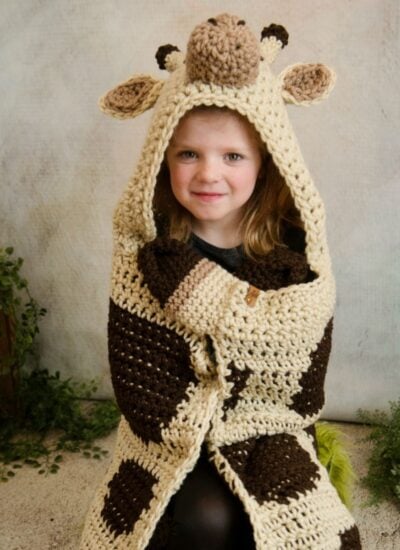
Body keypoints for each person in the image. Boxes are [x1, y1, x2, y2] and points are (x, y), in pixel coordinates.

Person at [81, 13, 361, 550]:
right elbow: (135, 366)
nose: (209, 173)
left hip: (265, 424)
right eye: (189, 154)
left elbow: (297, 353)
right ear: (163, 159)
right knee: (204, 521)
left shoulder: (289, 251)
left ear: (266, 161)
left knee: (305, 530)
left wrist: (211, 301)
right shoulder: (153, 248)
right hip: (173, 429)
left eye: (232, 156)